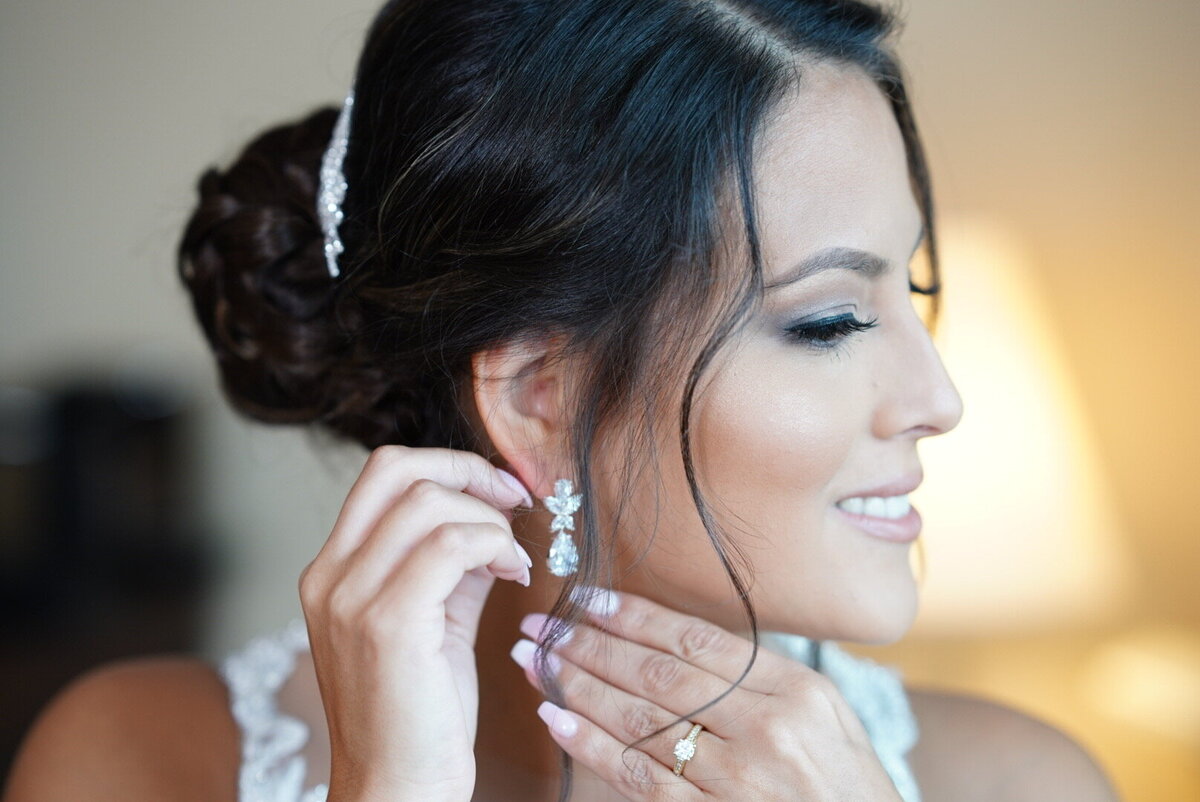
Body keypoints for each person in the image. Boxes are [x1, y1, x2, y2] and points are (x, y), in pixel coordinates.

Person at [3, 1, 1120, 800]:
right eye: (829, 320)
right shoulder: (136, 760)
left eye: (912, 291)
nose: (940, 399)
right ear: (538, 396)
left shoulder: (1023, 779)